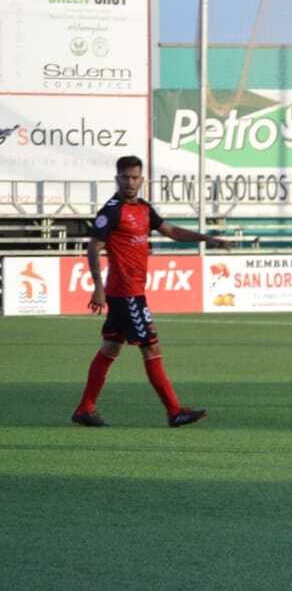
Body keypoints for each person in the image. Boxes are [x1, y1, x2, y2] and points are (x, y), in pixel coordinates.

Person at [71, 155, 226, 428]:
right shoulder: (112, 211)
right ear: (117, 179)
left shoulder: (144, 208)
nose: (130, 182)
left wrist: (206, 238)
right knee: (151, 347)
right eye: (125, 177)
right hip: (126, 294)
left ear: (142, 179)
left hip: (129, 293)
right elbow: (93, 247)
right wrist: (97, 286)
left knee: (110, 348)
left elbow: (172, 231)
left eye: (134, 177)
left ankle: (85, 408)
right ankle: (174, 411)